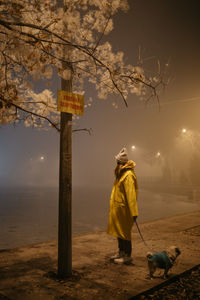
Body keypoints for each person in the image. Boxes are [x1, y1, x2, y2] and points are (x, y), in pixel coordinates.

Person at [107, 147, 138, 264]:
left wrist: (134, 212)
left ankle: (127, 255)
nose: (116, 165)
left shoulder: (128, 175)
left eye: (117, 162)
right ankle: (121, 252)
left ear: (121, 163)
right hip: (119, 210)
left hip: (125, 211)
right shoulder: (121, 174)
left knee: (125, 234)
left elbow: (131, 196)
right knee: (119, 232)